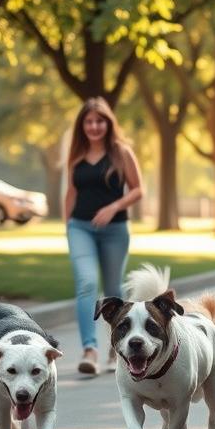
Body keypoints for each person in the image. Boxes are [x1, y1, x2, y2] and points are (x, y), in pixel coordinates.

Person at [65, 97, 144, 375]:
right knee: (86, 283)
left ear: (108, 124)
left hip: (115, 231)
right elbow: (71, 194)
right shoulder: (76, 156)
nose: (94, 126)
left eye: (99, 121)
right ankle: (90, 349)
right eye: (89, 121)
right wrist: (68, 227)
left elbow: (137, 189)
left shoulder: (121, 152)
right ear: (82, 125)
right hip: (80, 228)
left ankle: (116, 348)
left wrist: (113, 207)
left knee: (113, 291)